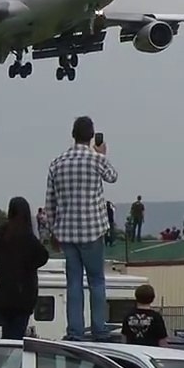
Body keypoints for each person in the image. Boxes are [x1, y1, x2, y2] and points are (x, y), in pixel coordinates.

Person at [45, 115, 119, 342]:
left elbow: (50, 202)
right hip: (92, 229)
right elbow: (113, 177)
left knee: (73, 282)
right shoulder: (96, 159)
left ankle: (74, 330)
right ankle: (99, 328)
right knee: (96, 280)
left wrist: (52, 230)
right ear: (91, 136)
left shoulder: (57, 163)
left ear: (73, 134)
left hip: (67, 232)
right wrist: (102, 154)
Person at [0, 196, 50, 339]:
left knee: (7, 335)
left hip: (3, 295)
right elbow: (43, 255)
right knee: (17, 337)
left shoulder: (2, 233)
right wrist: (29, 266)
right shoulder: (27, 236)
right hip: (23, 295)